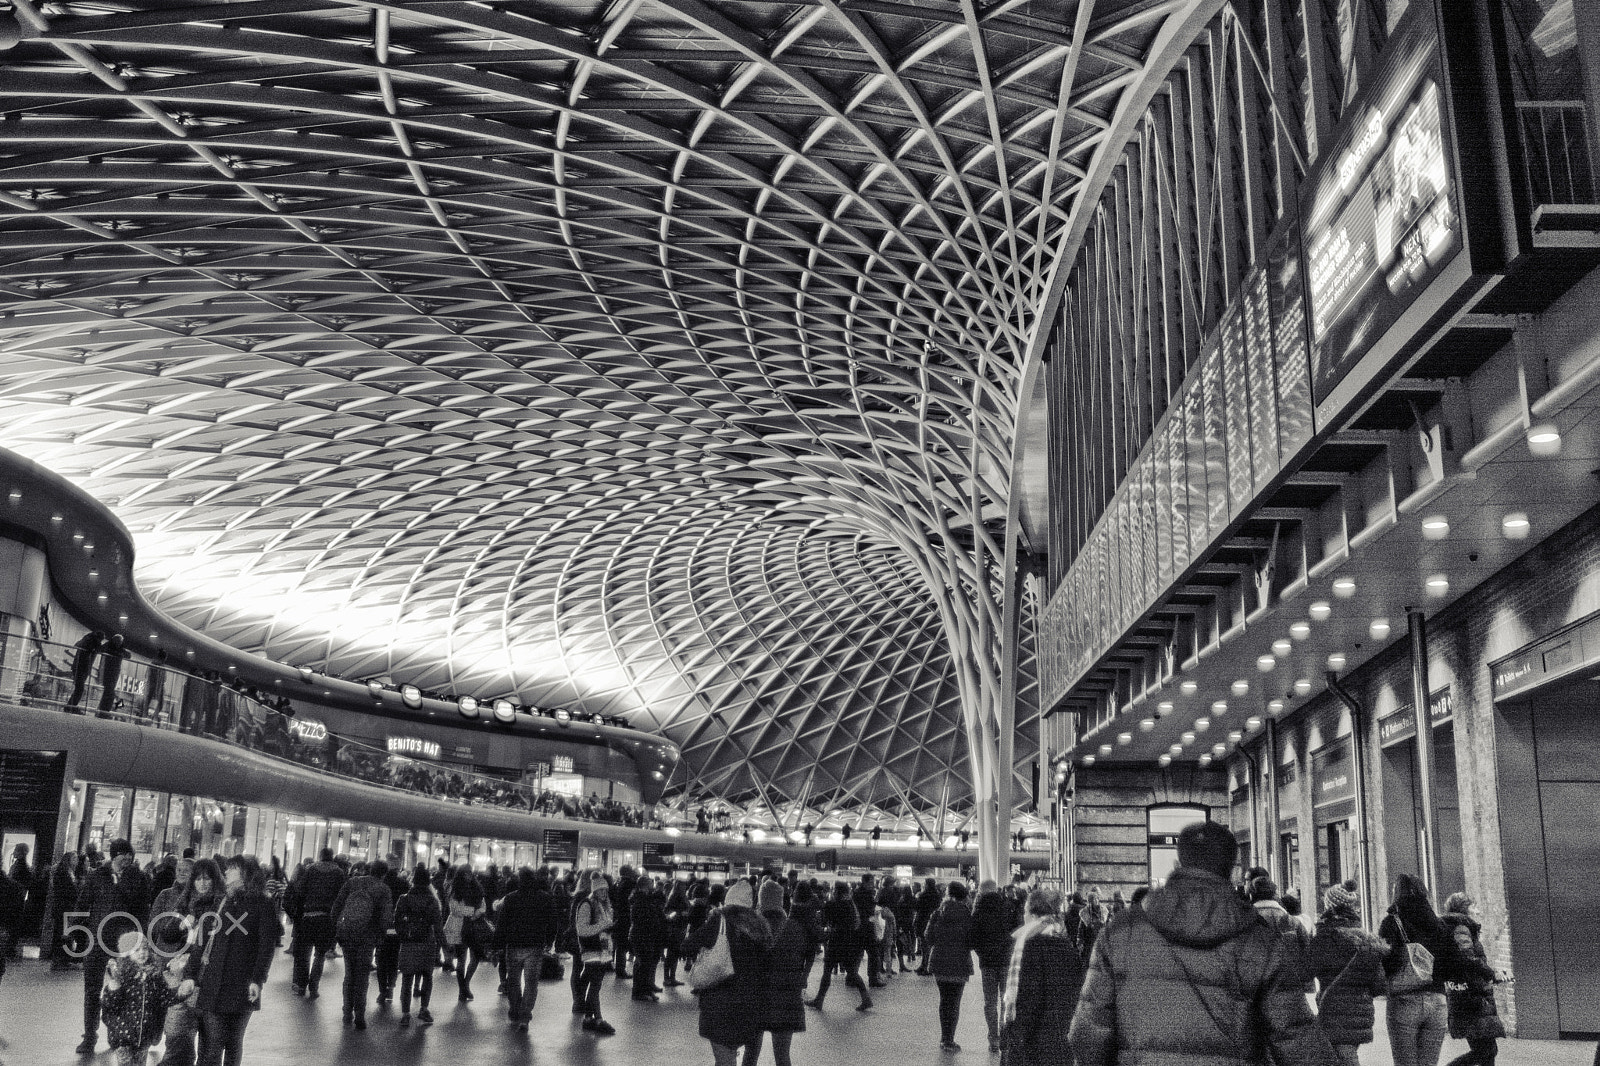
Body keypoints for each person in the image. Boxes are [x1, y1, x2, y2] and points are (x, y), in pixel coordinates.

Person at [1068, 821, 1338, 1066]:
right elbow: (1297, 1039)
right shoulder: (1259, 940)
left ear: (1179, 862)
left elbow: (1087, 1037)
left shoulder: (1120, 932)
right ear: (1232, 869)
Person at [182, 854, 281, 1066]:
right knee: (213, 1044)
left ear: (245, 874)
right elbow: (202, 943)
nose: (226, 872)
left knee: (234, 1042)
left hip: (242, 985)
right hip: (213, 983)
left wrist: (257, 979)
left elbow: (266, 947)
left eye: (231, 868)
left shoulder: (263, 904)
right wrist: (190, 974)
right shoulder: (221, 902)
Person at [76, 838, 153, 1055]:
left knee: (123, 990)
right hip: (96, 941)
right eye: (122, 855)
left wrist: (140, 939)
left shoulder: (139, 878)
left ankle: (119, 1033)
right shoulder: (96, 876)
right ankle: (89, 1036)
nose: (127, 858)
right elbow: (83, 904)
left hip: (124, 944)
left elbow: (143, 911)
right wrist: (75, 931)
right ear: (113, 855)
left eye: (130, 855)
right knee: (91, 990)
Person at [683, 879, 771, 1066]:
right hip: (750, 1006)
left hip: (720, 1004)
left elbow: (687, 946)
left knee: (725, 1061)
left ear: (728, 899)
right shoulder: (761, 927)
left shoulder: (719, 922)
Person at [1380, 874, 1463, 1066]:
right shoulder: (1439, 925)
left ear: (1396, 894)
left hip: (1404, 1000)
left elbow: (1387, 964)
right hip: (1438, 1002)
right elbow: (1455, 965)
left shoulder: (1392, 923)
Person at [1001, 887, 1084, 1066]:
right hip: (1061, 1042)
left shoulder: (1027, 948)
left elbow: (1027, 1001)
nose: (1023, 916)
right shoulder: (1067, 947)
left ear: (1032, 915)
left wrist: (1013, 1040)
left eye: (1025, 911)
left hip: (1033, 1046)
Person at [1311, 880, 1388, 1066]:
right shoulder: (1366, 939)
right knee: (1344, 1056)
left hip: (1333, 1008)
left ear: (1329, 905)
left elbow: (1308, 970)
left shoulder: (1324, 936)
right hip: (1361, 1011)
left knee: (1345, 1059)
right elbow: (1379, 984)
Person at [156, 859, 224, 1066]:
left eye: (207, 879)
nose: (202, 884)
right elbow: (166, 934)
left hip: (209, 973)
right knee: (177, 1032)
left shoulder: (221, 903)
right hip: (182, 973)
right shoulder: (186, 901)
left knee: (209, 1039)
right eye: (198, 879)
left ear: (214, 880)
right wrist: (185, 923)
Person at [493, 867, 561, 1031]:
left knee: (513, 981)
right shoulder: (545, 898)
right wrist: (550, 941)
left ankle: (515, 1010)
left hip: (514, 943)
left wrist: (496, 946)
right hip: (535, 944)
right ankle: (525, 1016)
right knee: (531, 982)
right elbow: (553, 922)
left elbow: (501, 924)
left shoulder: (511, 898)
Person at [1440, 895, 1505, 1066]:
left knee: (1488, 1052)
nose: (1477, 911)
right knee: (1486, 1051)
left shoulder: (1461, 928)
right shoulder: (1461, 929)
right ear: (1464, 909)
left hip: (1470, 995)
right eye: (1473, 907)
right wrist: (1491, 973)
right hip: (1471, 998)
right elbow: (1468, 960)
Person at [749, 879, 806, 1066]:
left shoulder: (752, 927)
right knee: (782, 1056)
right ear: (781, 901)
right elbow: (801, 959)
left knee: (750, 1055)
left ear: (761, 900)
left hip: (757, 995)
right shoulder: (795, 928)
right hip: (787, 998)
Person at [330, 860, 393, 1029]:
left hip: (347, 933)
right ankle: (360, 1015)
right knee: (362, 976)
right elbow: (386, 918)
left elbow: (336, 906)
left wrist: (337, 928)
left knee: (349, 973)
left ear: (369, 869)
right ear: (384, 873)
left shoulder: (352, 882)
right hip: (367, 937)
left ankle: (346, 1012)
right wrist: (381, 936)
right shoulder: (383, 889)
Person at [101, 931, 177, 1066]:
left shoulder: (154, 975)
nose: (142, 953)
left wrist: (180, 992)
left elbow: (164, 997)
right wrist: (114, 986)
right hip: (122, 1036)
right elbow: (110, 1005)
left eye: (144, 949)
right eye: (136, 950)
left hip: (144, 1035)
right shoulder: (122, 975)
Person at [285, 847, 344, 998]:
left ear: (320, 856)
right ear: (332, 857)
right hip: (327, 919)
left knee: (304, 954)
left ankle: (301, 985)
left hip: (309, 916)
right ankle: (314, 987)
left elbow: (300, 891)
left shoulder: (311, 870)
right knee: (320, 955)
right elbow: (341, 897)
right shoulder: (338, 873)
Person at [806, 881, 871, 1011]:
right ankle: (866, 999)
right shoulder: (851, 905)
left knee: (827, 971)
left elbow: (825, 920)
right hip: (849, 941)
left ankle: (819, 999)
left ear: (837, 891)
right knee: (852, 972)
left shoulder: (832, 904)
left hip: (836, 941)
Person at [926, 879, 975, 1052]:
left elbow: (928, 937)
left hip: (939, 962)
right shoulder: (967, 914)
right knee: (954, 1003)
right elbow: (971, 941)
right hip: (960, 963)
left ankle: (943, 1038)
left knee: (944, 1001)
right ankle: (949, 1040)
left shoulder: (938, 913)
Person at [971, 879, 1019, 1053]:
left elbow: (973, 939)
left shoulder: (978, 912)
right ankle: (1004, 1036)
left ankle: (993, 1039)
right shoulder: (1007, 907)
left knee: (990, 1002)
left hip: (988, 964)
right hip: (1006, 961)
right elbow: (1016, 933)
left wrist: (982, 953)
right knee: (1005, 1000)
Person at [394, 864, 443, 1027]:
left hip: (409, 943)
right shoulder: (432, 901)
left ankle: (406, 1013)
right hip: (427, 942)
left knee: (407, 979)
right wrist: (445, 945)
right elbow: (437, 926)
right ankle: (423, 1009)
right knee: (427, 977)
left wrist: (403, 935)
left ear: (413, 881)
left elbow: (397, 921)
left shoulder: (404, 899)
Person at [572, 869, 616, 1035]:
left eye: (605, 890)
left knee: (594, 985)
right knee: (595, 987)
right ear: (594, 890)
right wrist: (603, 926)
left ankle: (589, 1019)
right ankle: (597, 1019)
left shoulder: (604, 906)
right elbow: (582, 930)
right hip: (591, 951)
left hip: (602, 951)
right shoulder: (586, 904)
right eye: (600, 890)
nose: (604, 893)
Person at [1250, 876, 1313, 992]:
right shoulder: (1292, 922)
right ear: (1275, 894)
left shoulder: (1243, 921)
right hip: (1288, 989)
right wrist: (1308, 986)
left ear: (1251, 894)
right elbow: (1306, 956)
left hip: (1253, 989)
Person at [443, 866, 487, 1001]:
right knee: (461, 960)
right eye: (465, 874)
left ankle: (465, 984)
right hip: (459, 927)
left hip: (473, 927)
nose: (468, 876)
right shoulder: (455, 889)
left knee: (476, 957)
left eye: (470, 873)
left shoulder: (477, 888)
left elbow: (483, 906)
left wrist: (475, 913)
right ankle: (463, 989)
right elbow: (455, 909)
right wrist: (473, 912)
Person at [629, 878, 668, 1000]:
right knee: (644, 964)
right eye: (651, 884)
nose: (654, 886)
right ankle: (641, 991)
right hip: (643, 935)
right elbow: (643, 918)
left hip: (643, 934)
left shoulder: (641, 898)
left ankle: (643, 990)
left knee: (643, 963)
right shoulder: (642, 900)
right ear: (645, 885)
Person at [66, 630, 105, 710]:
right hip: (82, 667)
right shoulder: (92, 643)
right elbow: (99, 650)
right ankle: (71, 706)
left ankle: (71, 706)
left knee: (79, 688)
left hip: (79, 667)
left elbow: (77, 645)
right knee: (80, 689)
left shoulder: (86, 640)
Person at [98, 633, 130, 716]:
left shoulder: (112, 646)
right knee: (109, 692)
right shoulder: (110, 646)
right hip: (108, 671)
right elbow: (101, 649)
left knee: (108, 692)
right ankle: (104, 711)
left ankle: (103, 711)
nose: (118, 644)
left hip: (112, 672)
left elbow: (128, 655)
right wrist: (118, 654)